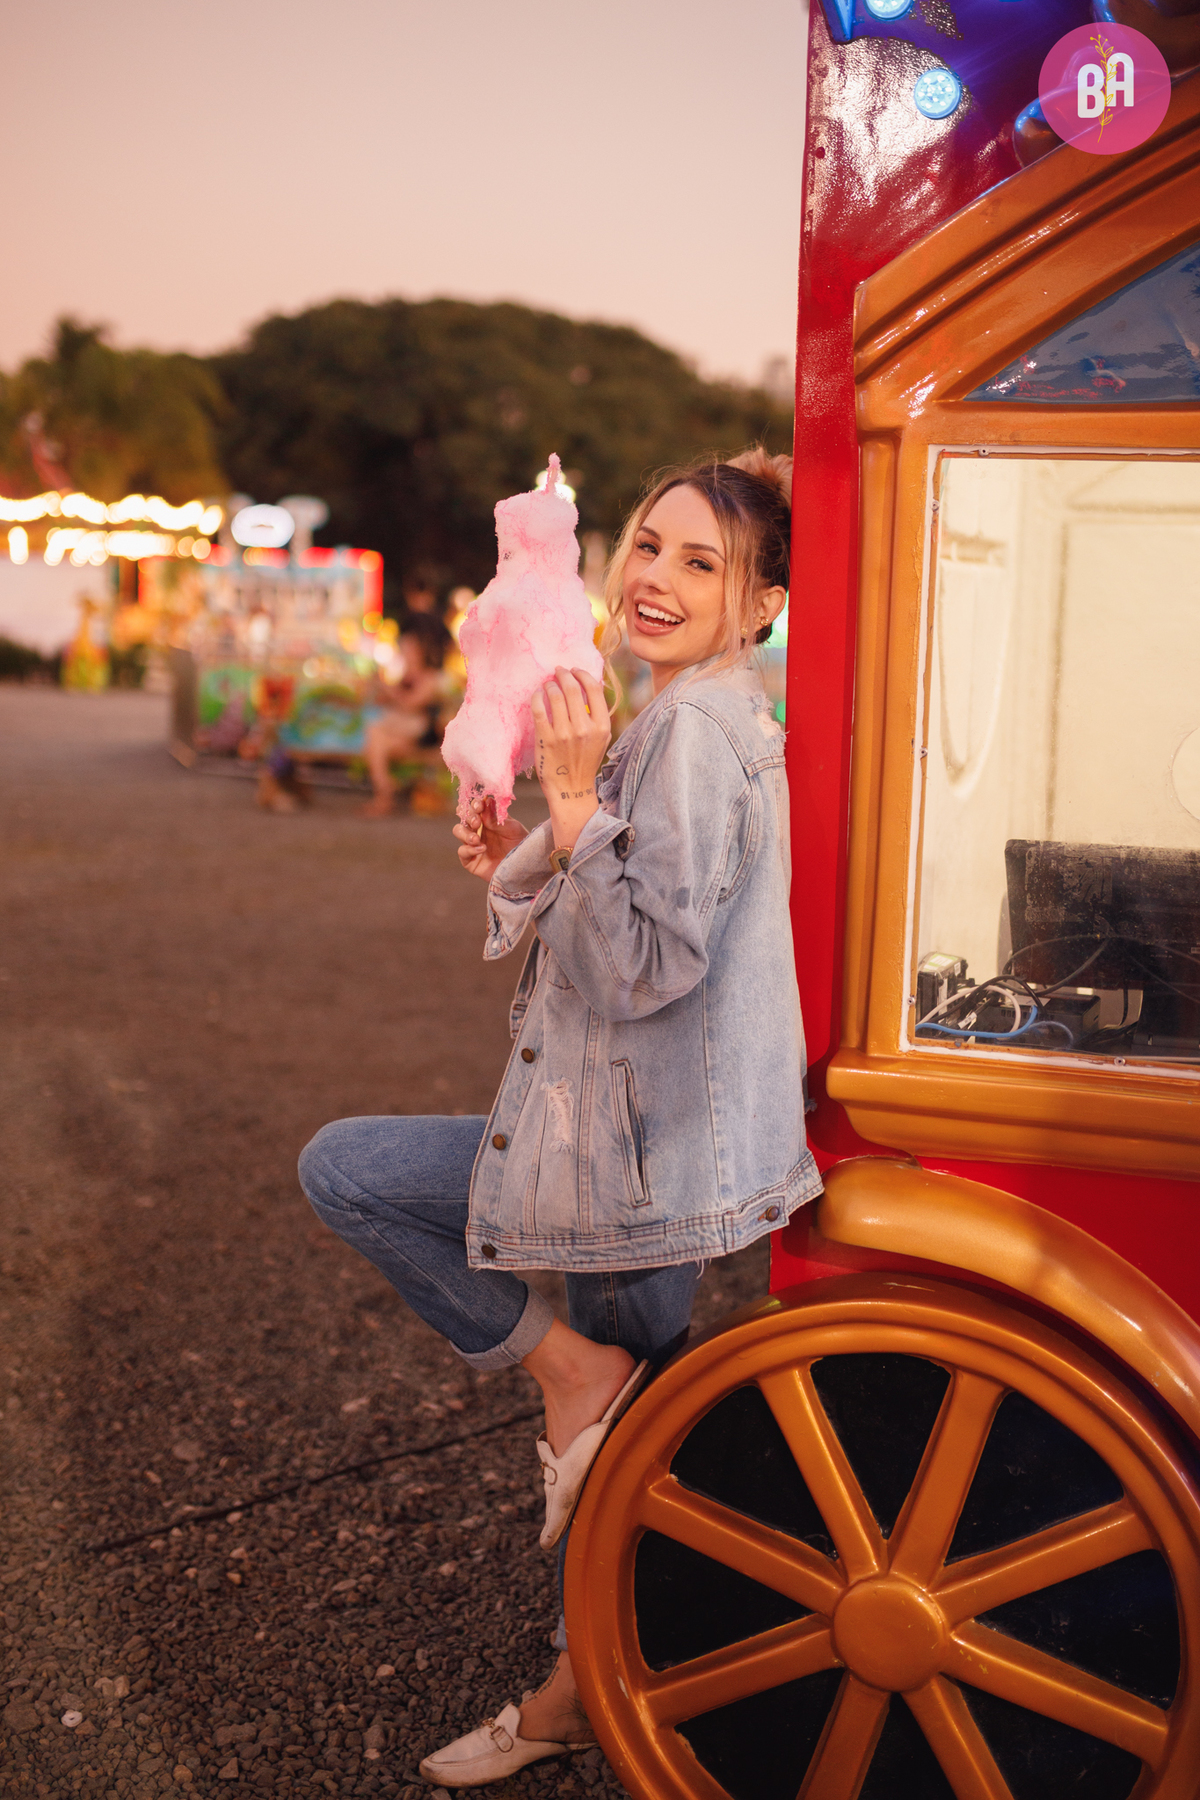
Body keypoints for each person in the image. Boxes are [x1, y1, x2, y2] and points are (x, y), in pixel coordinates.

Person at [298, 448, 822, 1786]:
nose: (655, 576)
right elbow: (629, 890)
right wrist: (532, 836)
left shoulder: (701, 731)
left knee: (354, 1177)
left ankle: (585, 1676)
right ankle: (583, 1671)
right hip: (623, 1145)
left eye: (702, 562)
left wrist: (576, 808)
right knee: (628, 1470)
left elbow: (649, 961)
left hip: (636, 1161)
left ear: (762, 605)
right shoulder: (676, 714)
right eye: (647, 544)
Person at [358, 616, 448, 818]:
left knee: (375, 734)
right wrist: (377, 689)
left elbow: (410, 704)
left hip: (422, 735)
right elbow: (384, 702)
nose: (403, 652)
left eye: (407, 648)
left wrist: (388, 690)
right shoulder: (401, 677)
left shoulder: (430, 678)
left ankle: (384, 795)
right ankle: (384, 792)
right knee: (376, 739)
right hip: (400, 734)